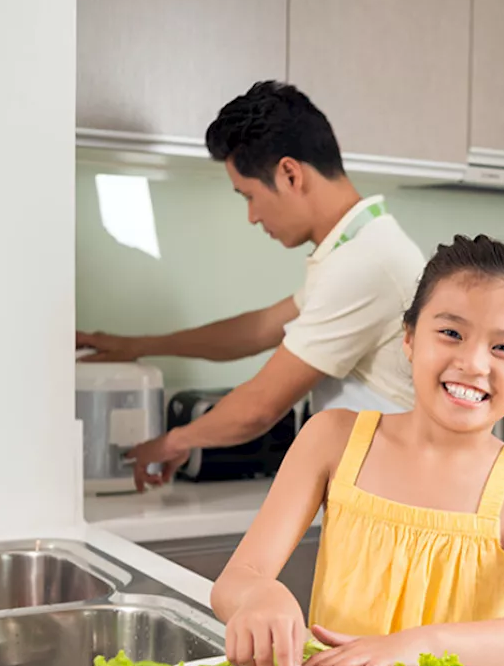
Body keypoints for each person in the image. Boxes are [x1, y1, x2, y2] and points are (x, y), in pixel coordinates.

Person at [210, 235, 504, 666]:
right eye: (451, 333)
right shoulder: (332, 438)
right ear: (409, 338)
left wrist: (418, 644)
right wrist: (259, 594)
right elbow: (234, 581)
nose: (472, 363)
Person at [76, 81, 426, 491]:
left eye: (248, 196)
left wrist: (172, 442)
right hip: (379, 491)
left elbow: (260, 407)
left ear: (290, 174)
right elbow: (259, 329)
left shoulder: (365, 261)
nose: (252, 216)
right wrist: (138, 346)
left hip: (396, 500)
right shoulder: (359, 244)